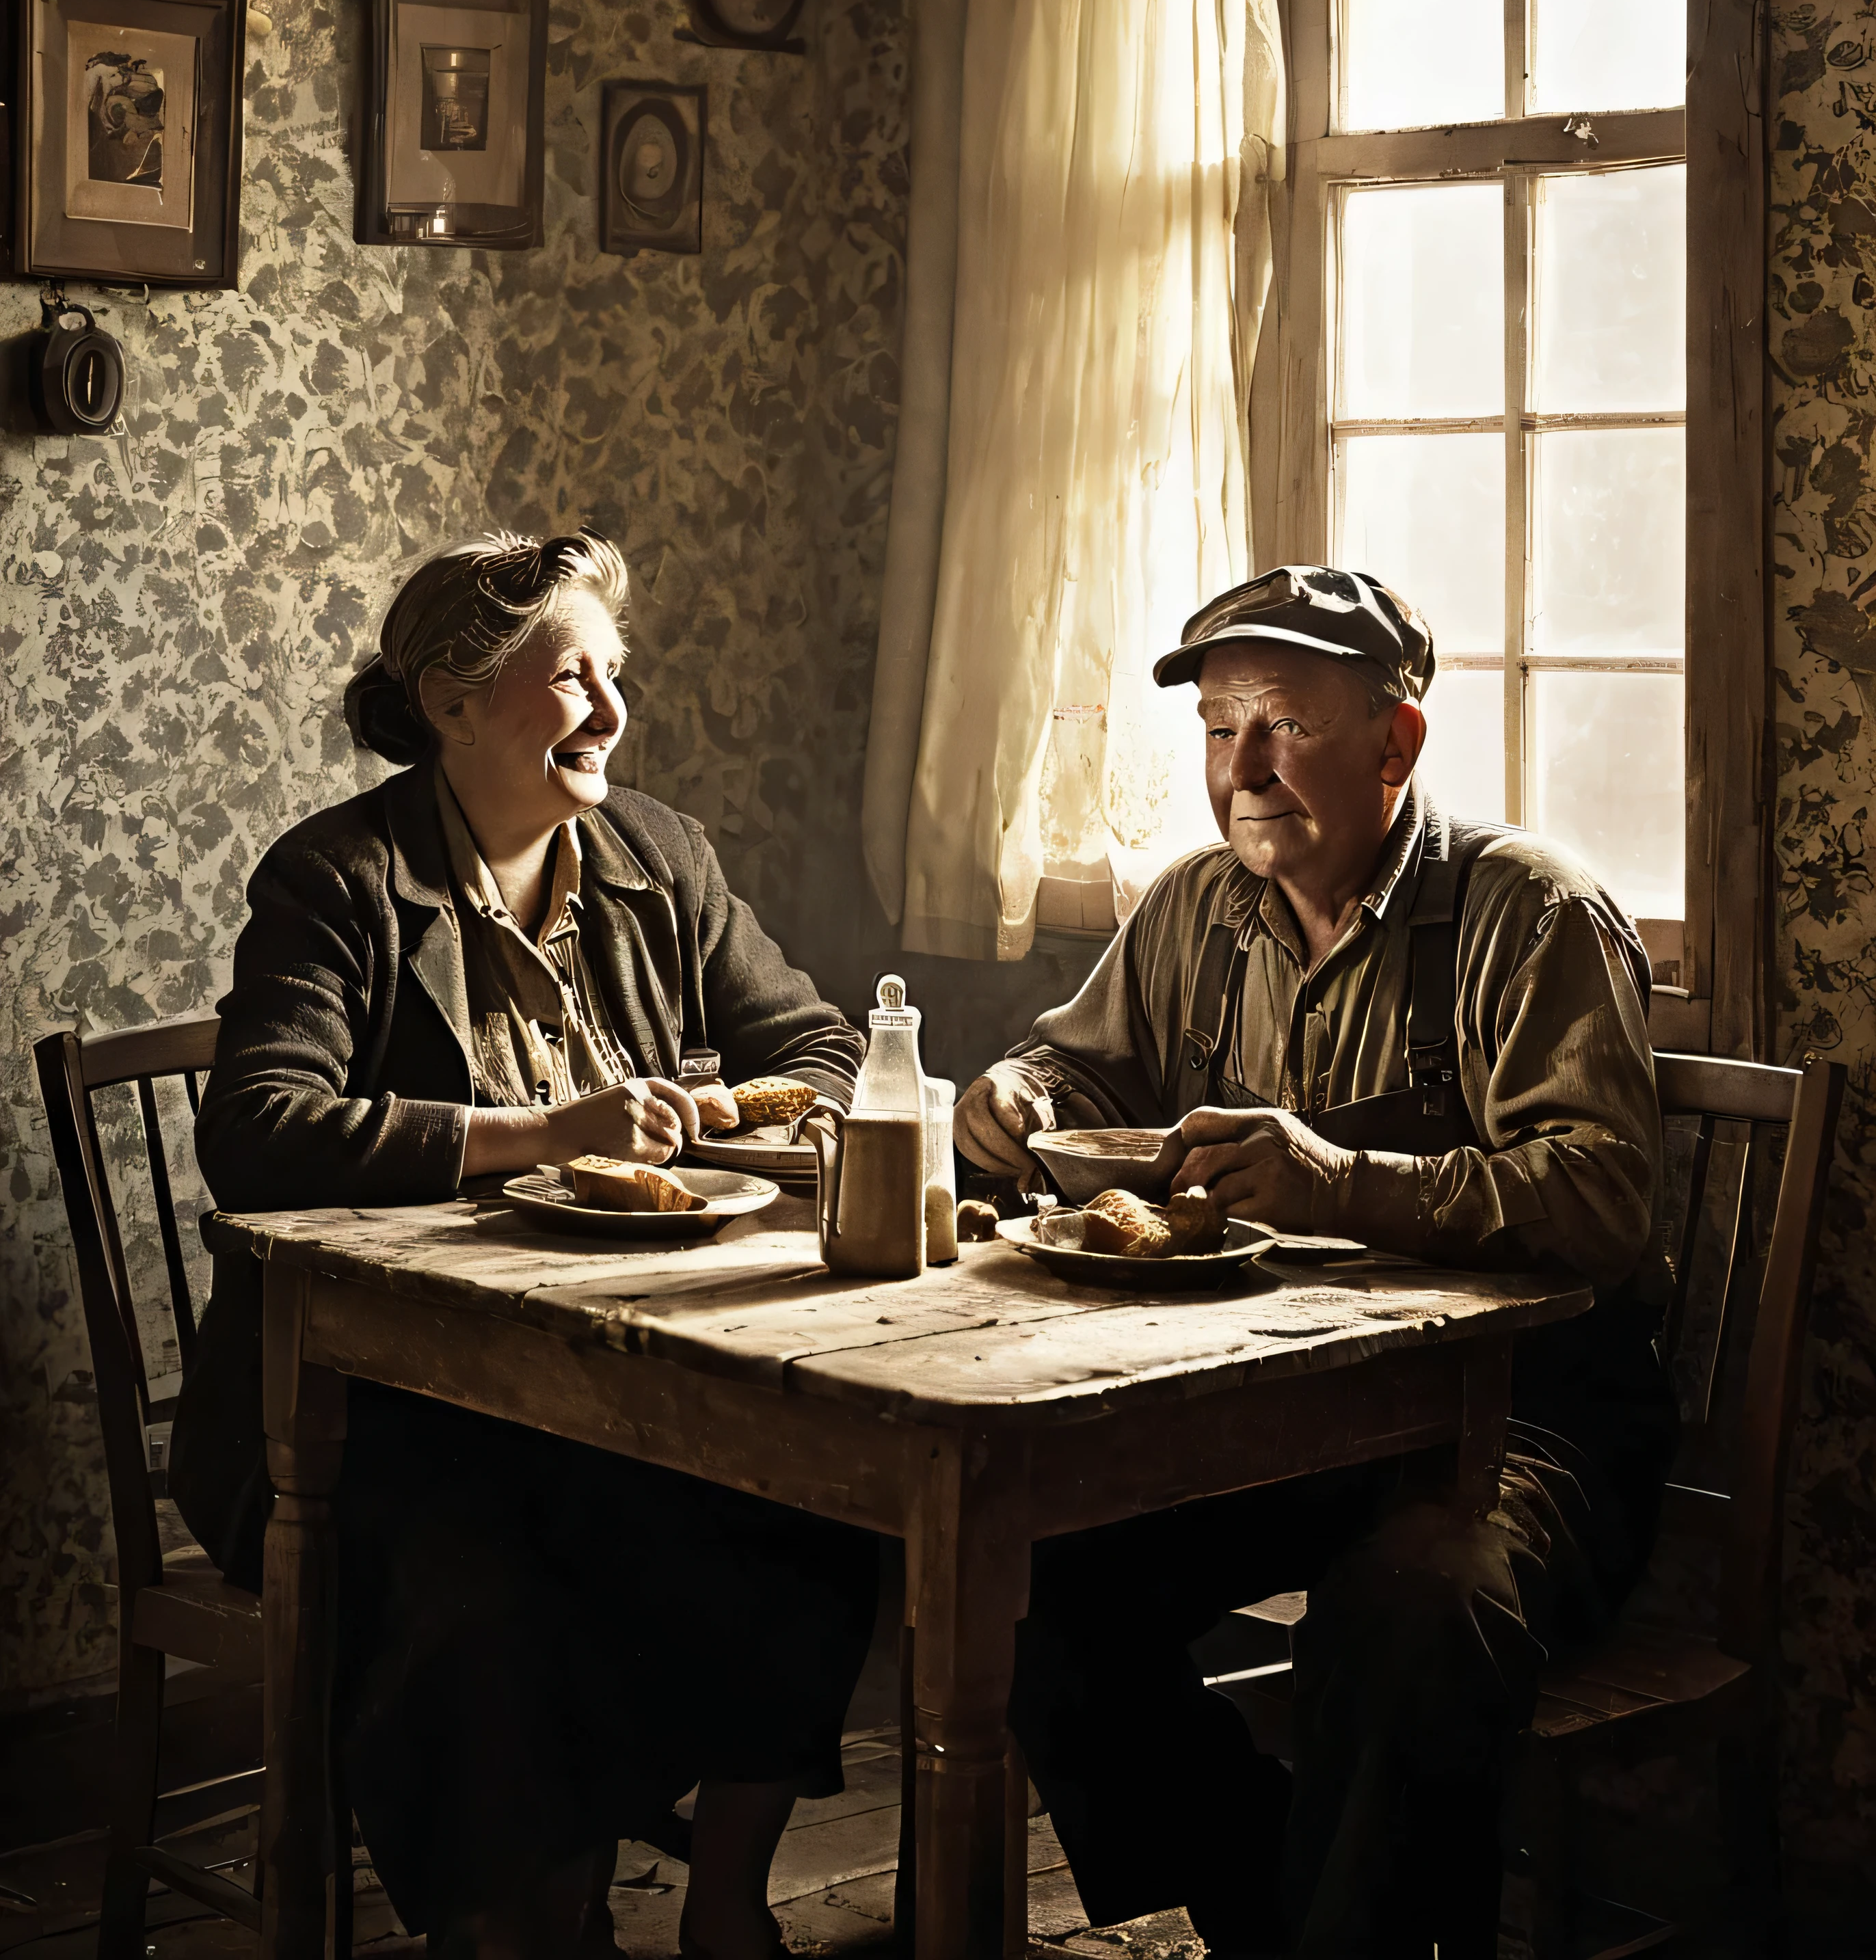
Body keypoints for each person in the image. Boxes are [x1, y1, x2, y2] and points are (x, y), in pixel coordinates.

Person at [955, 565, 1677, 1960]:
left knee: (1409, 1612)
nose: (1246, 768)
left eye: (1282, 725)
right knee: (1026, 1584)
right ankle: (1272, 1916)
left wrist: (1340, 1180)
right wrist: (1023, 1096)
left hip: (1516, 1423)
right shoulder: (1194, 911)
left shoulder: (1524, 915)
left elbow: (1599, 1202)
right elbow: (1073, 1062)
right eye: (1223, 731)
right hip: (1271, 1419)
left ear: (1395, 743)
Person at [172, 531, 876, 1960]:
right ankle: (513, 1928)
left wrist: (749, 1115)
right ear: (453, 703)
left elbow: (819, 1043)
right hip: (361, 1421)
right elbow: (256, 1129)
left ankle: (727, 1904)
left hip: (608, 1390)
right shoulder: (336, 881)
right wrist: (544, 1136)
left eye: (616, 676)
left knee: (805, 1518)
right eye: (574, 679)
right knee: (479, 1601)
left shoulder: (660, 853)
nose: (613, 713)